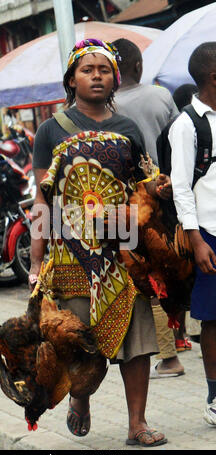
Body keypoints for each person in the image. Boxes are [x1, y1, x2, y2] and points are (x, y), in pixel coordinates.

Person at [29, 38, 170, 447]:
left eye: (104, 70)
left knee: (138, 338)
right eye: (87, 70)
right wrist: (37, 265)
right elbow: (43, 199)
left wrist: (155, 194)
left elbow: (140, 186)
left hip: (123, 246)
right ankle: (80, 398)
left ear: (115, 79)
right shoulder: (50, 129)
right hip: (70, 248)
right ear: (71, 79)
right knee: (75, 341)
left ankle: (137, 424)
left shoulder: (128, 128)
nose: (96, 76)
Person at [112, 38, 185, 377]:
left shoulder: (107, 109)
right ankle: (187, 335)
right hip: (168, 193)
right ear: (139, 66)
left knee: (148, 276)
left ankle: (170, 357)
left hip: (130, 203)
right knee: (177, 262)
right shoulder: (161, 96)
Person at [169, 41, 216, 425]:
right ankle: (215, 397)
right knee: (213, 319)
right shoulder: (187, 125)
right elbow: (181, 186)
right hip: (210, 234)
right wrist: (196, 239)